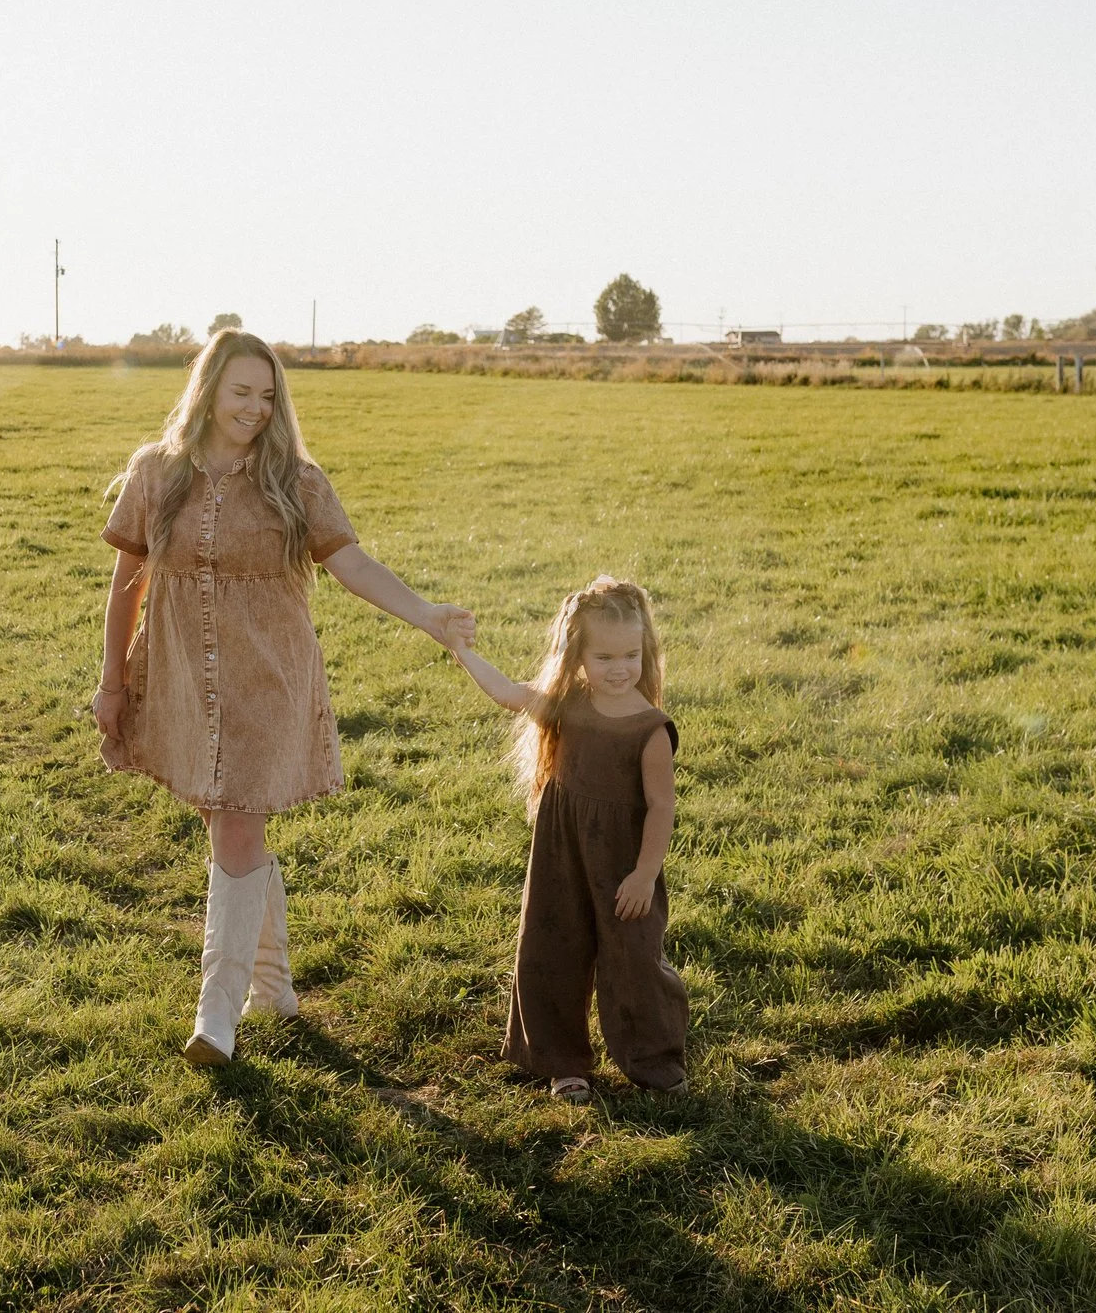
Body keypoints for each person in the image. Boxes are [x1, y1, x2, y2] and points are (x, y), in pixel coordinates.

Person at [90, 329, 475, 1065]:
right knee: (226, 824)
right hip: (181, 676)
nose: (256, 409)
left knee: (236, 827)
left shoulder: (295, 481)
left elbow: (351, 563)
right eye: (241, 392)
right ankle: (273, 986)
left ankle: (217, 1014)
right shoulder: (155, 472)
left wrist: (428, 615)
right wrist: (113, 682)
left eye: (267, 396)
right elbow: (126, 587)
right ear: (207, 391)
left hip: (267, 678)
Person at [447, 576, 689, 1101]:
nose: (619, 668)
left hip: (624, 864)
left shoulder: (649, 728)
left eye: (630, 655)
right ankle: (562, 1062)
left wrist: (644, 875)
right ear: (577, 655)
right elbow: (509, 694)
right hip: (561, 855)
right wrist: (461, 651)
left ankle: (655, 1062)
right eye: (604, 657)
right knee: (552, 947)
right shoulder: (568, 704)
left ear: (645, 651)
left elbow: (662, 806)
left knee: (635, 961)